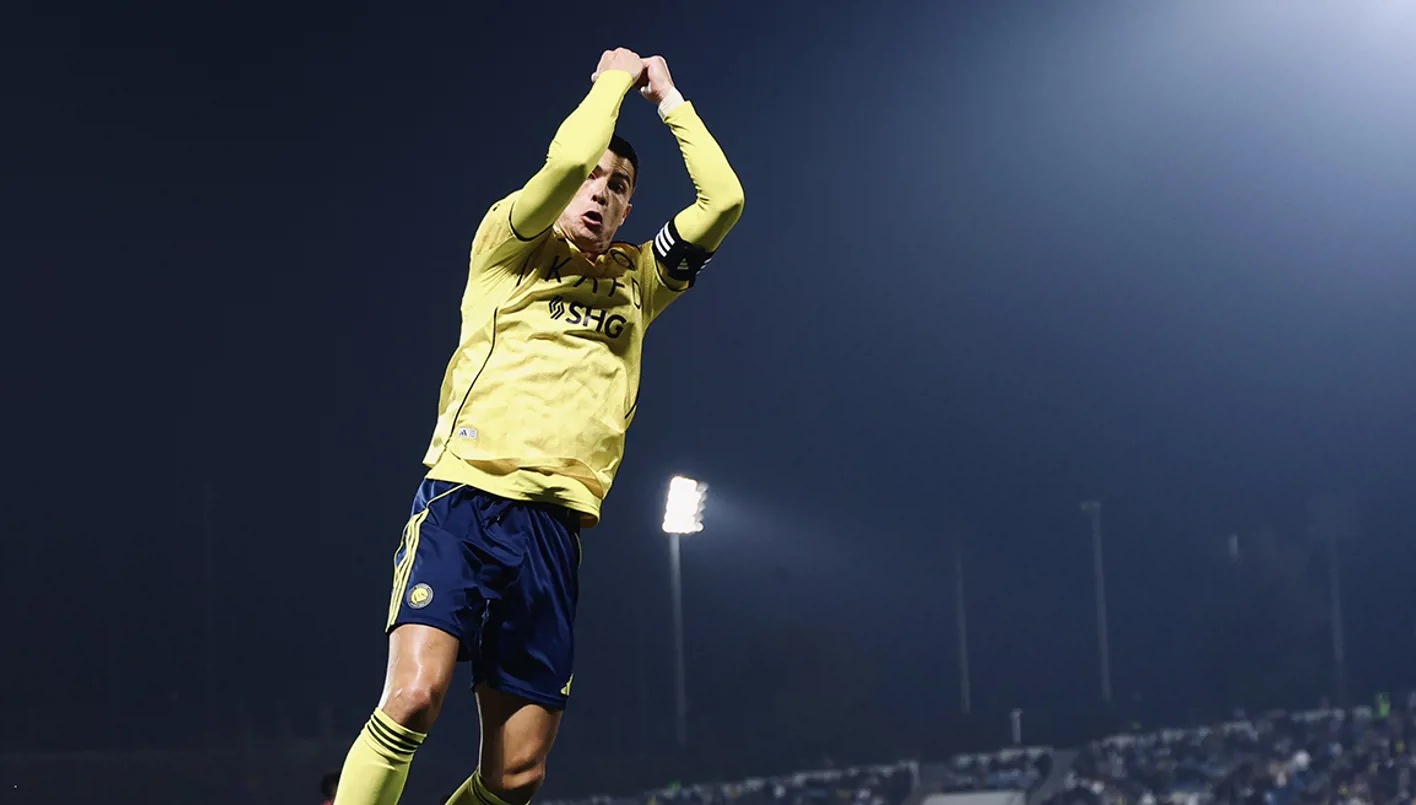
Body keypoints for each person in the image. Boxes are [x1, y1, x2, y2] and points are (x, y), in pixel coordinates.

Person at [332, 47, 744, 805]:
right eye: (593, 178)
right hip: (466, 501)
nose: (600, 191)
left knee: (516, 776)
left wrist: (669, 100)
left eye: (618, 187)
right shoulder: (509, 244)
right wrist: (611, 83)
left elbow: (723, 201)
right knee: (414, 698)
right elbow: (567, 159)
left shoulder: (638, 279)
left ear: (627, 210)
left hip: (553, 531)